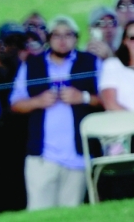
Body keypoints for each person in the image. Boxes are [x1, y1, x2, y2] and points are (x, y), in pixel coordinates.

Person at [10, 15, 101, 210]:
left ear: (76, 38)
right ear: (48, 39)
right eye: (56, 35)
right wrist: (37, 102)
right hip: (42, 157)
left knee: (71, 216)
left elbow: (105, 100)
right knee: (39, 216)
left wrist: (83, 97)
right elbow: (15, 104)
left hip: (78, 155)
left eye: (68, 35)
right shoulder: (32, 64)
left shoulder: (91, 62)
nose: (62, 40)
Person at [0, 23, 30, 215]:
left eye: (18, 43)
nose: (13, 48)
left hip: (20, 141)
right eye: (8, 42)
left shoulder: (26, 70)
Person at [96, 20, 134, 200]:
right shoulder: (113, 65)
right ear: (125, 41)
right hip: (123, 136)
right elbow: (110, 102)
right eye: (133, 38)